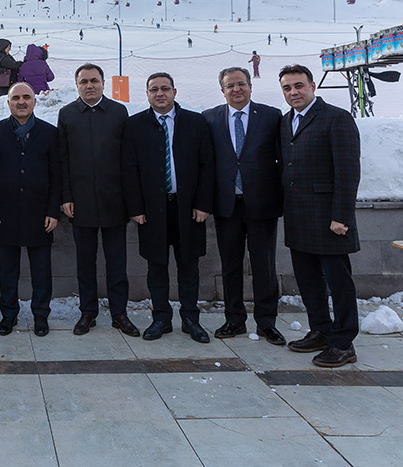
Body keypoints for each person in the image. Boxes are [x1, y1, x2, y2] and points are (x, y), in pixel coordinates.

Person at [279, 64, 361, 367]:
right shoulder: (287, 122)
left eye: (298, 86)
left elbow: (348, 171)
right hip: (299, 217)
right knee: (309, 280)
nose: (293, 92)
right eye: (287, 88)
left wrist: (341, 216)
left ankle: (343, 343)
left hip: (329, 220)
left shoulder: (337, 118)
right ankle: (321, 330)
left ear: (313, 86)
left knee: (339, 283)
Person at [123, 72, 214, 343]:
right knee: (156, 267)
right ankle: (161, 318)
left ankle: (190, 319)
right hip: (152, 210)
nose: (159, 93)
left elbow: (207, 166)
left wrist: (203, 204)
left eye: (164, 89)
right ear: (147, 94)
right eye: (154, 90)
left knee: (189, 267)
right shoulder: (135, 125)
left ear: (174, 91)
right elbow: (130, 170)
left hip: (188, 209)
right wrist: (136, 207)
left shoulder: (196, 122)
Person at [203, 68, 285, 345]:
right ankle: (234, 319)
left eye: (241, 84)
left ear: (250, 87)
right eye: (230, 86)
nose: (236, 89)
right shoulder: (210, 118)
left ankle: (267, 322)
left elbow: (283, 158)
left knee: (264, 266)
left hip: (262, 204)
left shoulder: (271, 116)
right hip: (227, 205)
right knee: (230, 266)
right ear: (222, 90)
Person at [58, 64, 139, 338]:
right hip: (81, 204)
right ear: (76, 84)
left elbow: (128, 160)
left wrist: (130, 200)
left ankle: (120, 313)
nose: (89, 86)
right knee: (85, 262)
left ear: (103, 83)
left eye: (94, 81)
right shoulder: (67, 114)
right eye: (84, 82)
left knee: (117, 262)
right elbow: (63, 159)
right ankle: (87, 312)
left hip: (114, 201)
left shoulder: (118, 112)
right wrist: (66, 197)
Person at [0, 83, 59, 336]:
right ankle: (8, 314)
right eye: (16, 98)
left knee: (41, 270)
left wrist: (52, 211)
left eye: (27, 97)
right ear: (8, 103)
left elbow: (56, 175)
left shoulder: (50, 133)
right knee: (7, 270)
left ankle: (41, 315)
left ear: (35, 101)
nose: (21, 102)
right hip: (5, 213)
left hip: (40, 214)